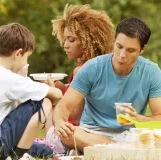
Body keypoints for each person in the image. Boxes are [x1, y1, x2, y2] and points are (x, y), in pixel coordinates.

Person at [53, 17, 161, 153]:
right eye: (119, 46)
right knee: (69, 135)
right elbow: (64, 106)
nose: (122, 55)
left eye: (130, 50)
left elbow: (159, 117)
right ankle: (118, 150)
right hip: (91, 133)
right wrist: (59, 123)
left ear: (142, 50)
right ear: (114, 42)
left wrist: (139, 120)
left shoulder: (151, 72)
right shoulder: (92, 68)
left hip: (130, 136)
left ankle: (103, 151)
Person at [0, 23, 63, 160]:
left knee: (44, 150)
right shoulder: (7, 79)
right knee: (44, 102)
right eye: (26, 57)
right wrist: (50, 89)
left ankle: (18, 152)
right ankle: (17, 156)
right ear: (18, 53)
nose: (25, 62)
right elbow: (57, 94)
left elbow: (15, 109)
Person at [46, 4, 114, 154]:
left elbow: (75, 117)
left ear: (87, 40)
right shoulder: (105, 66)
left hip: (71, 133)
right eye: (64, 40)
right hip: (100, 133)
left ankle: (49, 146)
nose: (65, 45)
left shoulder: (81, 70)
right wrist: (63, 89)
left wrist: (53, 96)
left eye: (71, 40)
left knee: (43, 103)